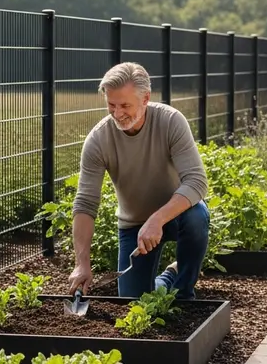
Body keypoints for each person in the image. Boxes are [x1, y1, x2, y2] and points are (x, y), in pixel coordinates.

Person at [67, 62, 210, 300]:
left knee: (197, 217)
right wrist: (81, 263)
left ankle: (184, 293)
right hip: (134, 225)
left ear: (145, 98)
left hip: (176, 215)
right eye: (111, 105)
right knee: (133, 301)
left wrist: (157, 219)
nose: (117, 113)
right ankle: (169, 277)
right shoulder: (99, 140)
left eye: (125, 105)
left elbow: (196, 181)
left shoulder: (170, 121)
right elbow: (85, 203)